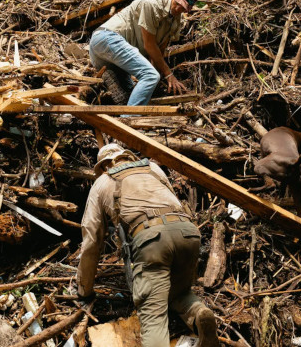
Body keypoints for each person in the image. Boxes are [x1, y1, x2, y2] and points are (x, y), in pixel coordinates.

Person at [76, 143, 217, 347]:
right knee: (178, 292)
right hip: (188, 232)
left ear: (104, 165)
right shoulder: (153, 168)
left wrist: (84, 290)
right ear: (127, 156)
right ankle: (199, 313)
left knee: (153, 316)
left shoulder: (101, 183)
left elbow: (91, 241)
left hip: (152, 240)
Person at [89, 0, 199, 106]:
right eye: (178, 3)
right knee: (151, 76)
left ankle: (125, 115)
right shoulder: (152, 4)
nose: (178, 9)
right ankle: (130, 117)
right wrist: (169, 75)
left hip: (115, 59)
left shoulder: (176, 21)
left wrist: (157, 85)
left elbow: (158, 51)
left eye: (183, 8)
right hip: (106, 38)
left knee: (132, 95)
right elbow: (149, 45)